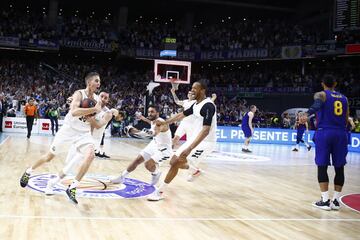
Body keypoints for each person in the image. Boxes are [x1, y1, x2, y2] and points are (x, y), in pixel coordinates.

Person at [20, 72, 102, 204]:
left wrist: (92, 118)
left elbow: (94, 121)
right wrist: (92, 109)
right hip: (68, 131)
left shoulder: (97, 100)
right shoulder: (79, 94)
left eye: (99, 81)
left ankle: (73, 187)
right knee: (49, 157)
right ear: (89, 82)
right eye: (97, 81)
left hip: (84, 133)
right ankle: (29, 171)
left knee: (91, 155)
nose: (99, 84)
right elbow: (74, 112)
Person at [148, 81, 217, 201]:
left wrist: (189, 148)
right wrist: (165, 122)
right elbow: (181, 115)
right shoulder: (196, 105)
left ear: (203, 90)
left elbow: (206, 130)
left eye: (196, 88)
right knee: (173, 161)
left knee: (176, 162)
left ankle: (160, 192)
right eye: (192, 88)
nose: (192, 90)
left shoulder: (208, 105)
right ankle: (194, 171)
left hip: (206, 142)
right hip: (194, 139)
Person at [44, 95, 121, 195]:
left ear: (108, 100)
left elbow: (99, 125)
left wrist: (91, 118)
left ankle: (58, 184)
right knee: (69, 163)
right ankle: (57, 183)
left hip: (93, 141)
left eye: (106, 98)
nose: (103, 99)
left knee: (73, 163)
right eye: (101, 96)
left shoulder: (108, 112)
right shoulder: (89, 105)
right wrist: (73, 102)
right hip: (81, 137)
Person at [305, 75, 348, 211]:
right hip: (341, 133)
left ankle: (324, 200)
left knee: (322, 165)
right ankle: (335, 201)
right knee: (339, 167)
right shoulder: (345, 98)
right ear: (335, 83)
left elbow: (317, 106)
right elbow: (346, 118)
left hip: (325, 132)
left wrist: (307, 113)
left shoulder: (321, 94)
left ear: (322, 83)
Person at [111, 105, 172, 186]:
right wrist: (143, 118)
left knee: (148, 165)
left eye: (152, 112)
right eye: (149, 111)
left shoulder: (160, 122)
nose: (149, 113)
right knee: (137, 160)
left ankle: (156, 173)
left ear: (157, 113)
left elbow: (154, 133)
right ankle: (122, 177)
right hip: (154, 143)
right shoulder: (153, 121)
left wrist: (134, 131)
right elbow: (150, 123)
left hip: (164, 149)